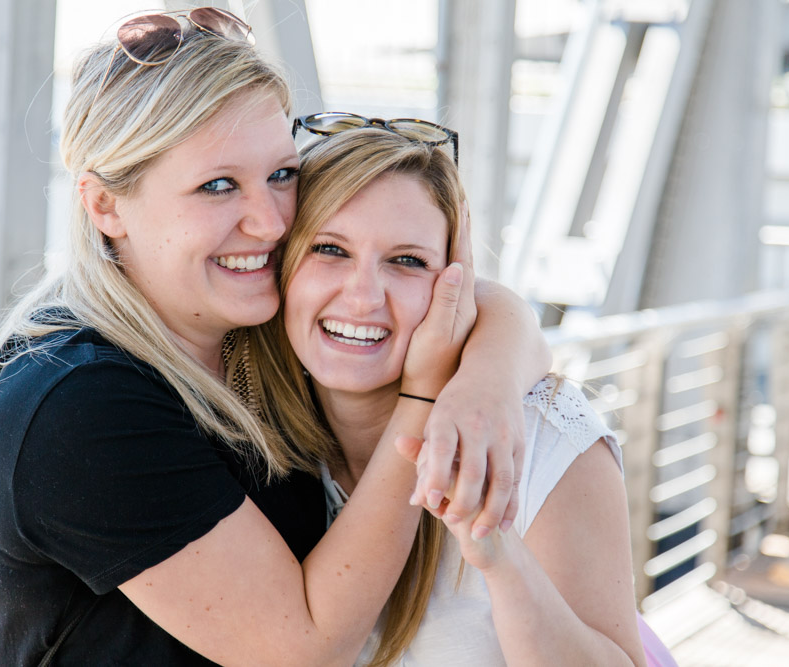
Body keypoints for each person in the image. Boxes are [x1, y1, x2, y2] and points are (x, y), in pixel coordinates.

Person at [0, 10, 550, 665]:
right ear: (104, 205)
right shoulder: (78, 403)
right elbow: (304, 648)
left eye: (281, 175)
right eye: (217, 186)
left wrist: (487, 381)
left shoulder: (246, 332)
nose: (270, 222)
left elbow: (470, 307)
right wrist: (425, 396)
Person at [247, 124, 656, 666]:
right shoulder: (246, 426)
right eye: (329, 249)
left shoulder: (541, 439)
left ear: (453, 283)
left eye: (407, 261)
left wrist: (499, 555)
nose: (364, 296)